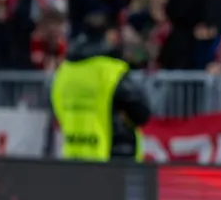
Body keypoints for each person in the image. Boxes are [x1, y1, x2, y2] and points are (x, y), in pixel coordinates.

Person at [51, 14, 151, 161]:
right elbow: (141, 112)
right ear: (109, 35)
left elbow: (56, 106)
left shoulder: (64, 71)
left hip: (74, 155)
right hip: (112, 156)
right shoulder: (111, 71)